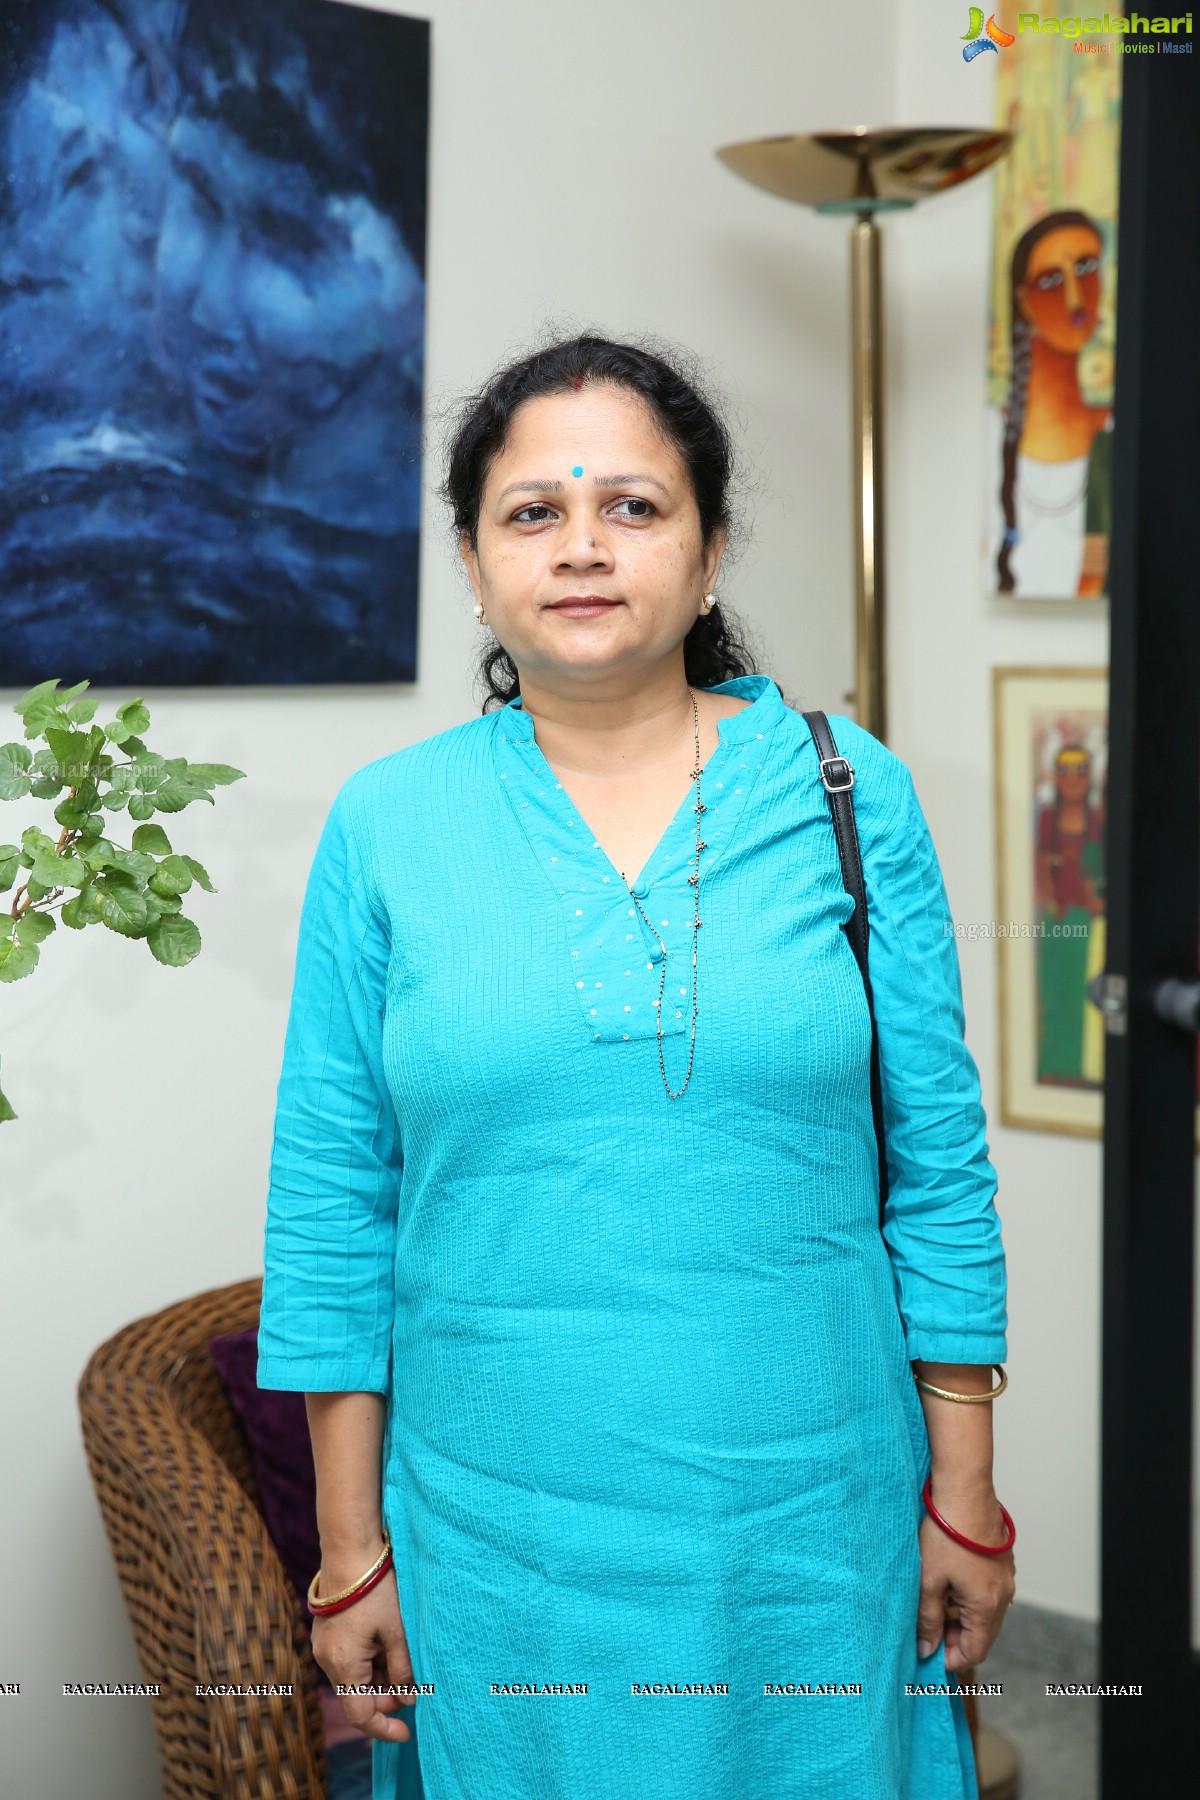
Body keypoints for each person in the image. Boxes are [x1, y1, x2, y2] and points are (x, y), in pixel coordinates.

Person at [258, 333, 1014, 1800]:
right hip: (501, 1539)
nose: (584, 546)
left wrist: (965, 1499)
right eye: (532, 512)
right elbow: (330, 1204)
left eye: (635, 507)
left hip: (811, 1518)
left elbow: (938, 1164)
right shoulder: (387, 827)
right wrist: (352, 1557)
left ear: (712, 548)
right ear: (475, 564)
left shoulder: (851, 790)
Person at [990, 209, 1112, 599]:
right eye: (1052, 280)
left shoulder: (1117, 437)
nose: (1076, 300)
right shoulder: (988, 434)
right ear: (1024, 301)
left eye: (1087, 267)